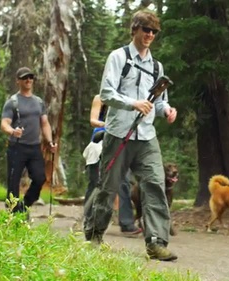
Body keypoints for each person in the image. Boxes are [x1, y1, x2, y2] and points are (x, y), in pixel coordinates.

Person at [83, 10, 178, 261]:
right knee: (108, 186)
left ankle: (156, 242)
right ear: (134, 29)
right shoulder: (118, 57)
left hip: (146, 136)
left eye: (154, 31)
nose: (149, 35)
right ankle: (94, 235)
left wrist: (167, 110)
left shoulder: (157, 66)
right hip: (118, 133)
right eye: (145, 29)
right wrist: (133, 103)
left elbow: (159, 102)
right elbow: (106, 93)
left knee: (155, 185)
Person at [0, 67, 57, 216]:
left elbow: (44, 123)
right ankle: (13, 216)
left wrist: (50, 142)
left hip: (34, 147)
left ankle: (24, 206)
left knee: (40, 178)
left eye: (31, 77)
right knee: (13, 183)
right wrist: (12, 131)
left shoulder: (38, 102)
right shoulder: (12, 102)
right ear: (18, 81)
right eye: (25, 78)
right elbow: (4, 123)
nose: (28, 80)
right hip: (16, 147)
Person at [87, 94, 142, 235]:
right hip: (101, 140)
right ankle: (89, 217)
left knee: (123, 182)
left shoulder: (128, 98)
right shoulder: (100, 98)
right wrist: (108, 125)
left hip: (122, 141)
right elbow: (93, 120)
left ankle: (127, 223)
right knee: (97, 182)